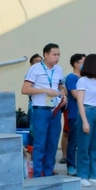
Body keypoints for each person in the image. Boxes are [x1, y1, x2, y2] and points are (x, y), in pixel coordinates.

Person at [22, 43, 66, 177]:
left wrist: (63, 95)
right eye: (54, 55)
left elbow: (60, 86)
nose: (57, 58)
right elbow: (25, 89)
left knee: (52, 143)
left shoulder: (58, 69)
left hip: (55, 110)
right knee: (40, 143)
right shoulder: (35, 69)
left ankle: (48, 172)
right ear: (46, 55)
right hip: (40, 110)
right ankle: (37, 174)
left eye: (58, 55)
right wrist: (45, 90)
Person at [75, 54, 96, 187]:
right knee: (84, 145)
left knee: (95, 145)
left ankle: (92, 174)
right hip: (88, 112)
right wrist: (85, 121)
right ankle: (82, 175)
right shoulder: (83, 80)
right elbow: (80, 102)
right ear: (93, 64)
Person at [60, 53, 85, 175]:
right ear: (76, 63)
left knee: (84, 143)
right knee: (73, 142)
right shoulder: (71, 78)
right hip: (75, 113)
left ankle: (84, 167)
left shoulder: (86, 77)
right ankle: (71, 166)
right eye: (83, 62)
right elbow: (75, 95)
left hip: (86, 114)